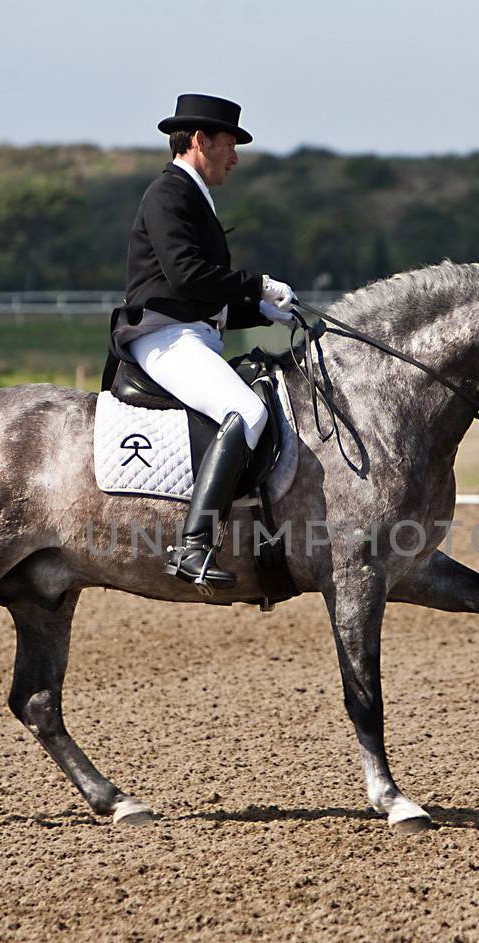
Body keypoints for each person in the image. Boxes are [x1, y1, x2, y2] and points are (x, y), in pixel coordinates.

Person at [111, 93, 296, 590]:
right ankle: (193, 545)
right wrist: (254, 284)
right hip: (164, 339)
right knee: (248, 412)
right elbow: (188, 277)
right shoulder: (168, 194)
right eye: (230, 145)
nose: (234, 158)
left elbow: (201, 299)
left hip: (189, 332)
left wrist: (261, 312)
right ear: (200, 140)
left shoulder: (194, 196)